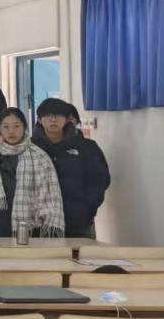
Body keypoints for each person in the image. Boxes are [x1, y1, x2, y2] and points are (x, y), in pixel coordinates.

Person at [0, 107, 66, 238]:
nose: (11, 131)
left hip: (32, 229)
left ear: (24, 127)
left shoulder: (40, 156)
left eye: (16, 126)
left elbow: (51, 194)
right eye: (5, 127)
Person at [32, 97, 110, 237]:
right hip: (38, 222)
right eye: (48, 115)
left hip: (77, 221)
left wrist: (87, 208)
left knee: (80, 251)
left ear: (67, 119)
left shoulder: (87, 147)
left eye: (58, 115)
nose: (53, 120)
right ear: (39, 119)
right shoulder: (30, 148)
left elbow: (99, 180)